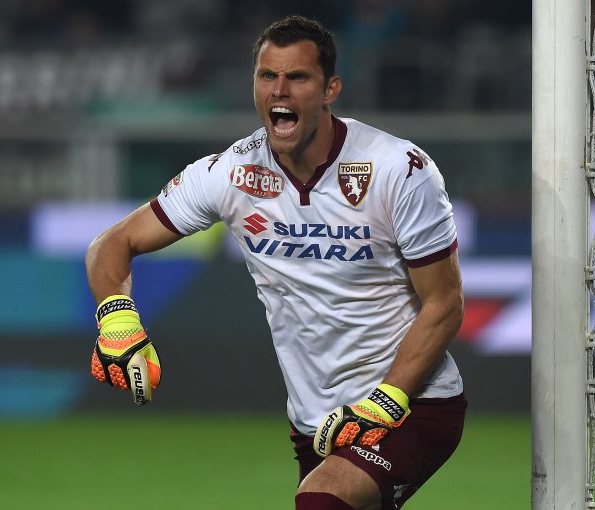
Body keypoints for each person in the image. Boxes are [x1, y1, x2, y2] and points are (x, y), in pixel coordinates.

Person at [86, 14, 467, 510]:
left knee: (321, 501)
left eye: (297, 77)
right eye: (267, 76)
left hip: (412, 404)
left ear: (330, 89)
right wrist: (117, 319)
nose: (279, 90)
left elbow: (444, 302)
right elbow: (112, 243)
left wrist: (387, 399)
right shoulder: (231, 173)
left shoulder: (398, 170)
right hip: (316, 423)